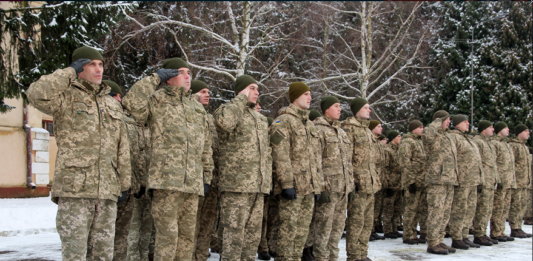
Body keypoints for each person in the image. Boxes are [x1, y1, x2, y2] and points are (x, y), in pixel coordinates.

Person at [26, 46, 131, 260]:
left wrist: (124, 184)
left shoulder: (111, 104)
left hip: (106, 191)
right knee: (75, 253)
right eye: (91, 64)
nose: (98, 69)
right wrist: (68, 72)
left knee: (102, 254)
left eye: (100, 64)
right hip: (76, 190)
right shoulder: (66, 97)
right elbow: (35, 94)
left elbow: (122, 146)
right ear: (78, 68)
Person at [122, 57, 214, 261]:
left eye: (189, 73)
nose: (187, 76)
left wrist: (206, 175)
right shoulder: (156, 100)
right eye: (182, 72)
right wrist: (154, 78)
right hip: (166, 182)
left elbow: (205, 145)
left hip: (192, 183)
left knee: (187, 239)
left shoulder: (196, 107)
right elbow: (131, 104)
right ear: (169, 77)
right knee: (167, 238)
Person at [214, 75, 271, 261]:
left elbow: (266, 154)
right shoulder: (226, 111)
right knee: (233, 238)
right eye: (252, 88)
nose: (257, 92)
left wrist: (266, 183)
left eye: (257, 89)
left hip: (257, 187)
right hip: (236, 186)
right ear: (242, 90)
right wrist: (240, 99)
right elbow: (225, 123)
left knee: (252, 239)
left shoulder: (260, 119)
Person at [270, 82, 322, 261]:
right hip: (293, 186)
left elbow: (315, 158)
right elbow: (280, 154)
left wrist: (317, 185)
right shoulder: (283, 121)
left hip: (308, 187)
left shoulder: (308, 124)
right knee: (288, 230)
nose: (310, 97)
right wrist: (286, 184)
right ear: (295, 97)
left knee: (302, 232)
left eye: (310, 94)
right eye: (306, 94)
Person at [311, 96, 354, 261]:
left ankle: (333, 257)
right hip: (328, 188)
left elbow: (347, 163)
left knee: (337, 228)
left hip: (342, 189)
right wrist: (321, 188)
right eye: (336, 106)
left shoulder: (341, 131)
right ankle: (321, 258)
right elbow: (316, 161)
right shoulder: (318, 129)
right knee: (323, 228)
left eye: (340, 106)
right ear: (326, 109)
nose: (340, 109)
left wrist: (350, 187)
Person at [342, 98, 381, 261]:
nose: (369, 110)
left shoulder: (367, 131)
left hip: (370, 183)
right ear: (357, 110)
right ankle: (353, 255)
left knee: (367, 222)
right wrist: (352, 182)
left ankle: (362, 253)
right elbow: (347, 158)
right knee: (356, 222)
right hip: (358, 184)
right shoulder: (349, 128)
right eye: (366, 107)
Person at [190, 80, 221, 261]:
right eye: (202, 92)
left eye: (208, 92)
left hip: (211, 178)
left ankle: (201, 255)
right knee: (192, 222)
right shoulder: (190, 114)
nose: (207, 95)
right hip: (195, 178)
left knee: (207, 222)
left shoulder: (210, 118)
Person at [422, 110, 458, 255]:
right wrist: (437, 121)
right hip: (436, 179)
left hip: (449, 179)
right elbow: (426, 135)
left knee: (444, 213)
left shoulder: (447, 136)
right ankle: (432, 242)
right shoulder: (432, 135)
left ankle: (439, 240)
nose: (449, 122)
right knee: (436, 212)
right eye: (447, 119)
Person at [447, 114, 484, 250]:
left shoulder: (468, 138)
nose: (468, 124)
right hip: (462, 180)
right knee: (459, 209)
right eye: (465, 122)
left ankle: (464, 235)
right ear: (457, 124)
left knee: (469, 209)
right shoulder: (453, 137)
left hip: (472, 180)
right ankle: (456, 237)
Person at [399, 120, 428, 245]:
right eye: (420, 127)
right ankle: (408, 234)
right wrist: (411, 181)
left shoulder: (420, 142)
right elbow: (404, 162)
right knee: (411, 209)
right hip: (413, 182)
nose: (422, 129)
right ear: (413, 129)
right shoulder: (407, 142)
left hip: (422, 181)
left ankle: (415, 232)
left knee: (420, 209)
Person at [471, 120, 500, 246]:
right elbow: (477, 163)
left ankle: (483, 232)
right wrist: (480, 180)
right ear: (483, 129)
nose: (493, 130)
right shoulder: (478, 142)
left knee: (487, 209)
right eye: (490, 127)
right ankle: (478, 233)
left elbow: (493, 164)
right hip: (484, 181)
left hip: (490, 181)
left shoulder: (488, 143)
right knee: (481, 209)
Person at [489, 122, 517, 242]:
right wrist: (497, 179)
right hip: (500, 181)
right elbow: (493, 163)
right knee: (498, 207)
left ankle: (500, 230)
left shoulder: (506, 144)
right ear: (499, 130)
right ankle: (495, 232)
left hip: (508, 181)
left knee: (504, 208)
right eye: (505, 128)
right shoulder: (495, 144)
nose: (508, 130)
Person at [508, 124, 532, 238]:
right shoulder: (514, 146)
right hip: (516, 181)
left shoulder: (524, 147)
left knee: (522, 205)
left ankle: (518, 226)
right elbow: (511, 163)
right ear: (519, 133)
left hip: (524, 182)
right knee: (516, 205)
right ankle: (514, 228)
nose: (528, 133)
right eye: (526, 131)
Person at [382, 130, 403, 239]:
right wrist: (387, 184)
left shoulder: (399, 150)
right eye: (398, 136)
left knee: (397, 208)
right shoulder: (388, 150)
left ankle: (395, 228)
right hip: (391, 182)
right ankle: (387, 229)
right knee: (388, 208)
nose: (400, 138)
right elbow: (385, 168)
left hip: (399, 182)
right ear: (393, 138)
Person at [369, 120, 386, 240]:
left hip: (378, 178)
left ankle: (373, 228)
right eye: (378, 126)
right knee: (370, 207)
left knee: (376, 206)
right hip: (371, 178)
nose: (381, 128)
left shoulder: (378, 142)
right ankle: (369, 230)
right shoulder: (370, 141)